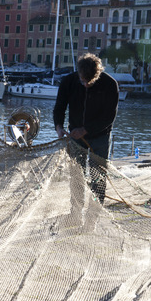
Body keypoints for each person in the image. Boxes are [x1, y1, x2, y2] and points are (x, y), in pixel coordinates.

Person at [53, 53, 119, 227]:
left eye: (90, 82)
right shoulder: (68, 82)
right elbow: (59, 107)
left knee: (98, 178)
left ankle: (92, 219)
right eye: (83, 81)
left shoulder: (110, 84)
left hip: (100, 137)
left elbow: (108, 117)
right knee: (76, 176)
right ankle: (75, 213)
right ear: (78, 74)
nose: (86, 85)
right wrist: (59, 127)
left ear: (97, 75)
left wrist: (86, 129)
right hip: (75, 138)